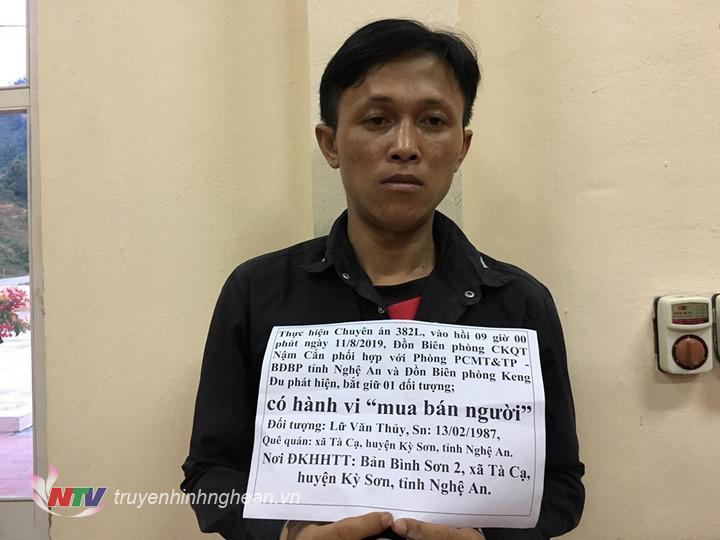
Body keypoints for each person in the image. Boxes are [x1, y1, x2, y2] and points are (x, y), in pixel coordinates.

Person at [181, 19, 584, 540]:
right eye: (377, 120)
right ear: (330, 143)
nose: (405, 146)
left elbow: (560, 487)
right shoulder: (257, 292)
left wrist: (487, 538)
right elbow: (211, 474)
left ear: (461, 147)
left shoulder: (519, 303)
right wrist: (287, 534)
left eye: (433, 121)